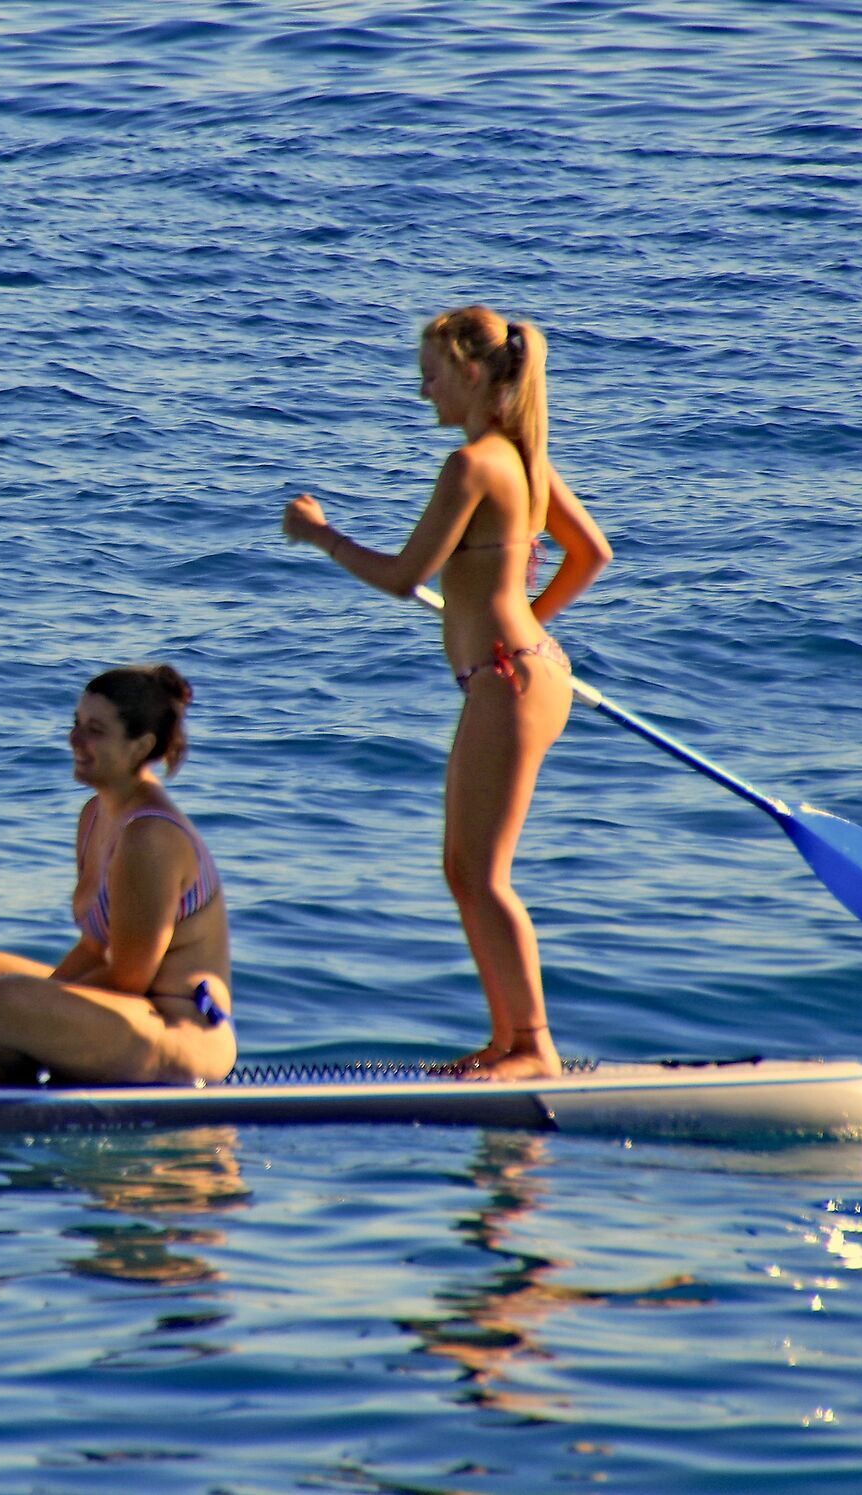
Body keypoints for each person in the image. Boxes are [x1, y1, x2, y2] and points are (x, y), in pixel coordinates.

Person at [282, 305, 612, 1081]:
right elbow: (591, 553)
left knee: (483, 874)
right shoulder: (524, 461)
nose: (422, 393)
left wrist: (322, 536)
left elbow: (404, 578)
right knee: (464, 870)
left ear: (470, 372)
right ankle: (508, 1040)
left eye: (430, 376)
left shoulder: (473, 466)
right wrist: (531, 622)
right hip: (522, 670)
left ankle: (532, 1047)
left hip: (507, 682)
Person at [0, 665, 234, 1088]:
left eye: (95, 730)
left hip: (178, 1033)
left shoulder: (149, 836)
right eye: (76, 724)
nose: (74, 739)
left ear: (140, 746)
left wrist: (15, 1011)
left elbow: (129, 979)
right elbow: (94, 947)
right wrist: (28, 1008)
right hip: (125, 1018)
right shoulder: (95, 816)